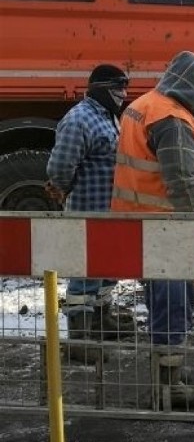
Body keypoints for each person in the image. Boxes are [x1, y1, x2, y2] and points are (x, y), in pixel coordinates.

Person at [111, 50, 194, 405]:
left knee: (161, 300)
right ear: (191, 87)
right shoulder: (171, 119)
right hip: (168, 227)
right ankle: (170, 389)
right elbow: (182, 182)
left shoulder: (143, 105)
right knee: (173, 302)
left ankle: (167, 373)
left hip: (141, 222)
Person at [46, 64, 133, 341]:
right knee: (85, 273)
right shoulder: (78, 120)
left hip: (109, 213)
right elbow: (59, 167)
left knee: (106, 268)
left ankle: (101, 321)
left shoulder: (109, 117)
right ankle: (80, 337)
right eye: (117, 88)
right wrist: (63, 189)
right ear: (100, 89)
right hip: (87, 213)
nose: (123, 94)